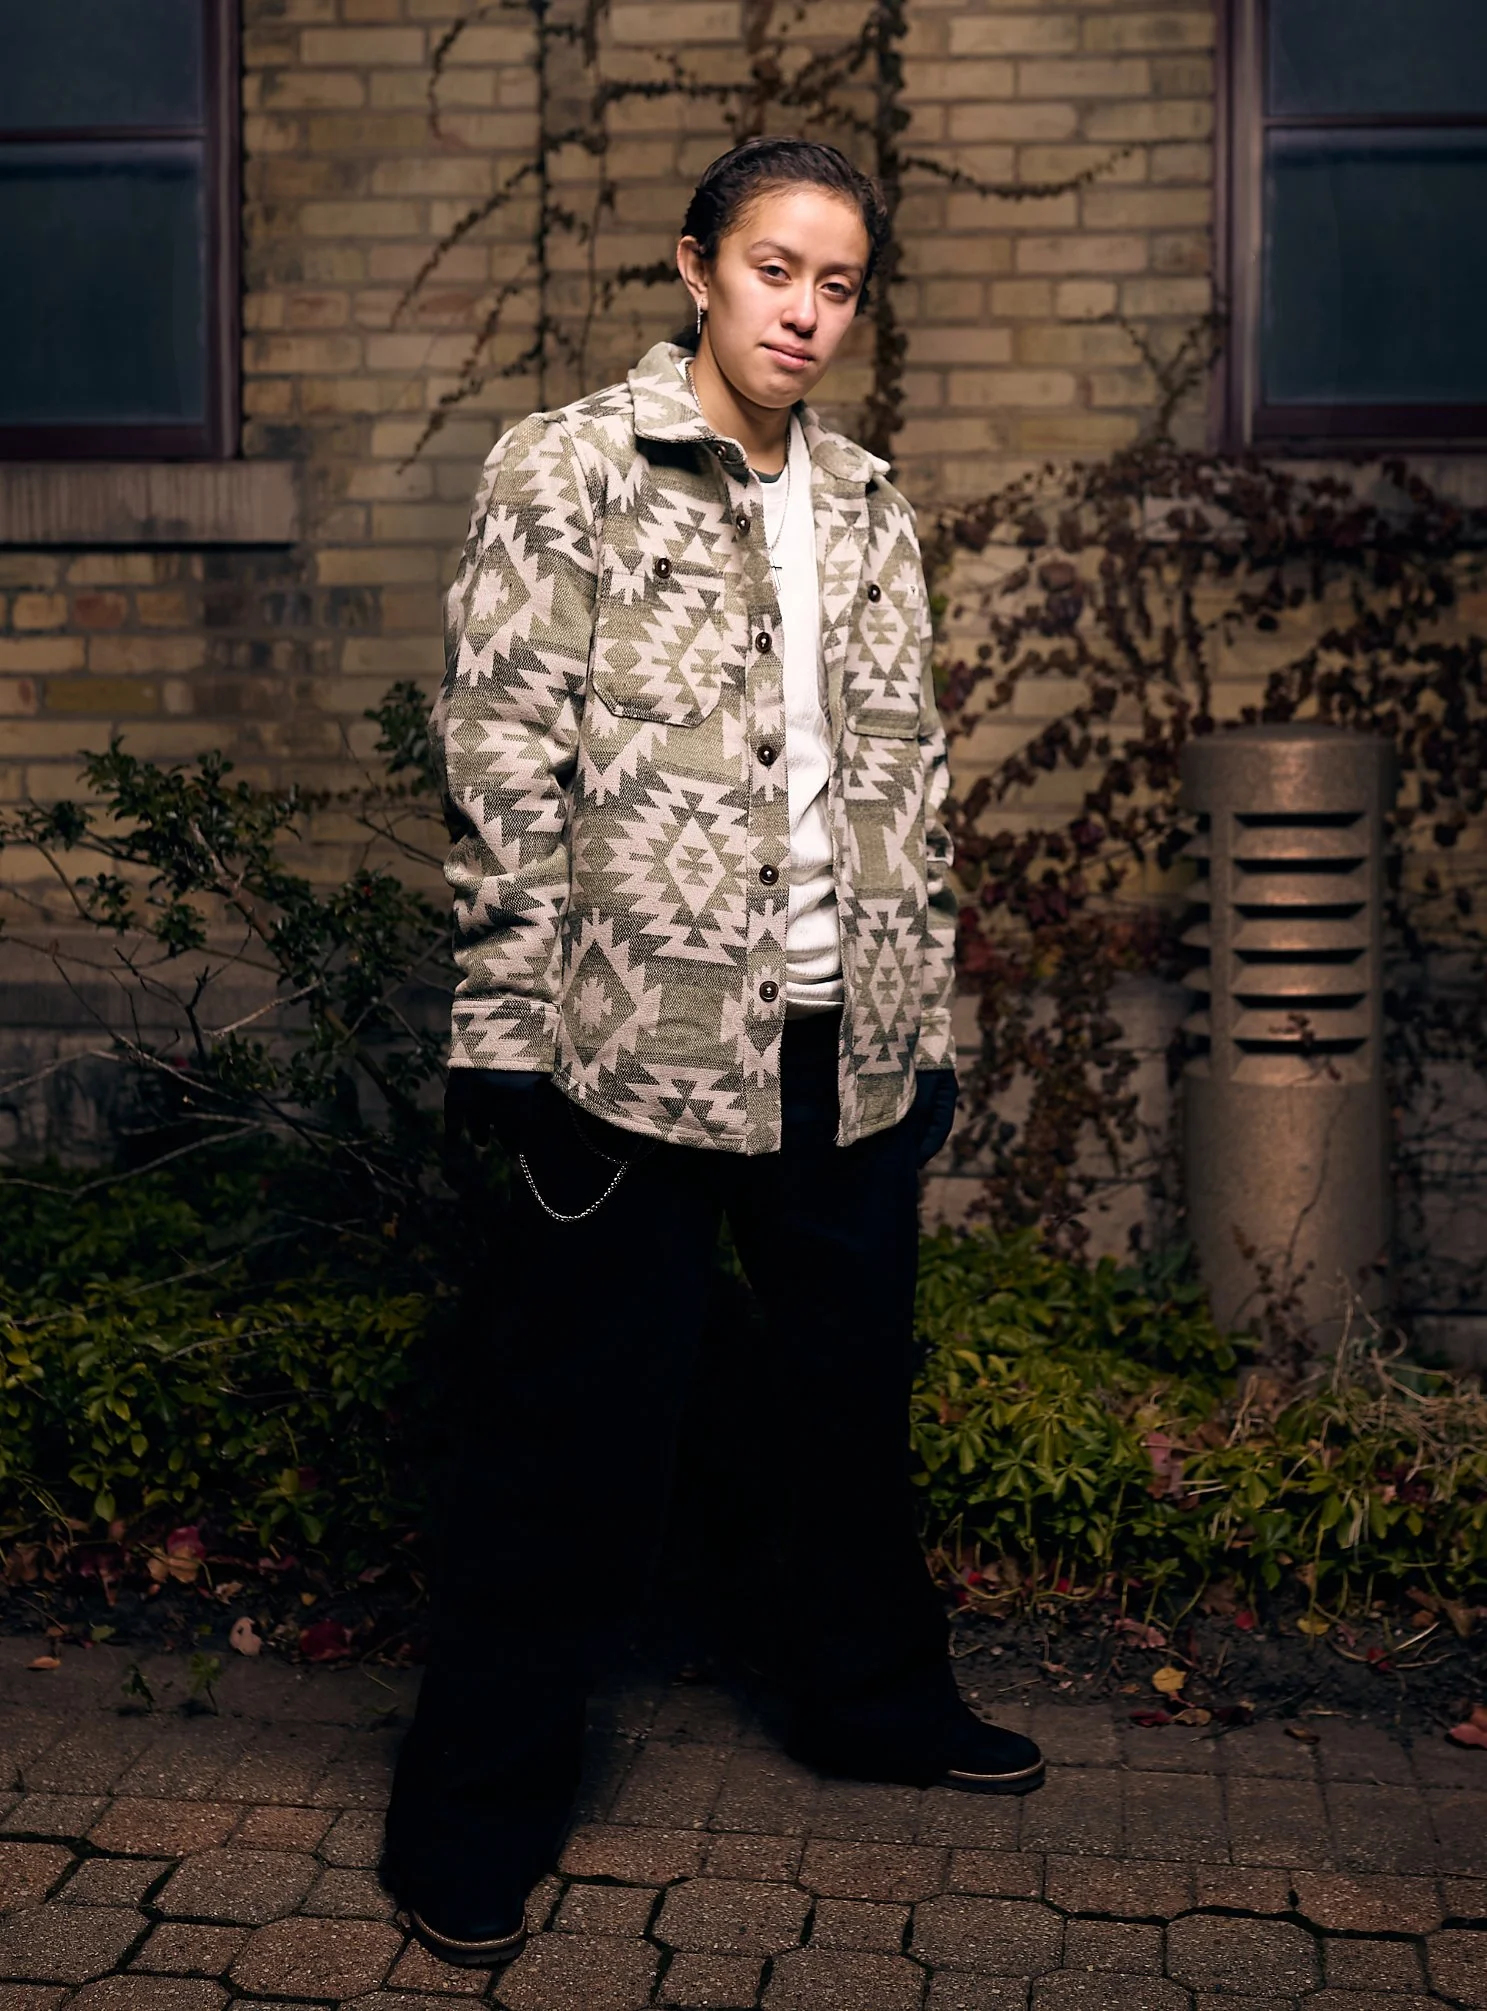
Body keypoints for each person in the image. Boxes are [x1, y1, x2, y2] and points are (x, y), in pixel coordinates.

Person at [381, 133, 1045, 1970]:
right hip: (632, 1044)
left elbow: (907, 781)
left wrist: (921, 1024)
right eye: (774, 270)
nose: (805, 313)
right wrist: (503, 1030)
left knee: (843, 1407)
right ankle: (470, 1815)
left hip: (847, 1040)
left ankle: (871, 1705)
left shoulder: (870, 505)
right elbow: (503, 752)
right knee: (573, 1438)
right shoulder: (570, 467)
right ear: (695, 268)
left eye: (838, 285)